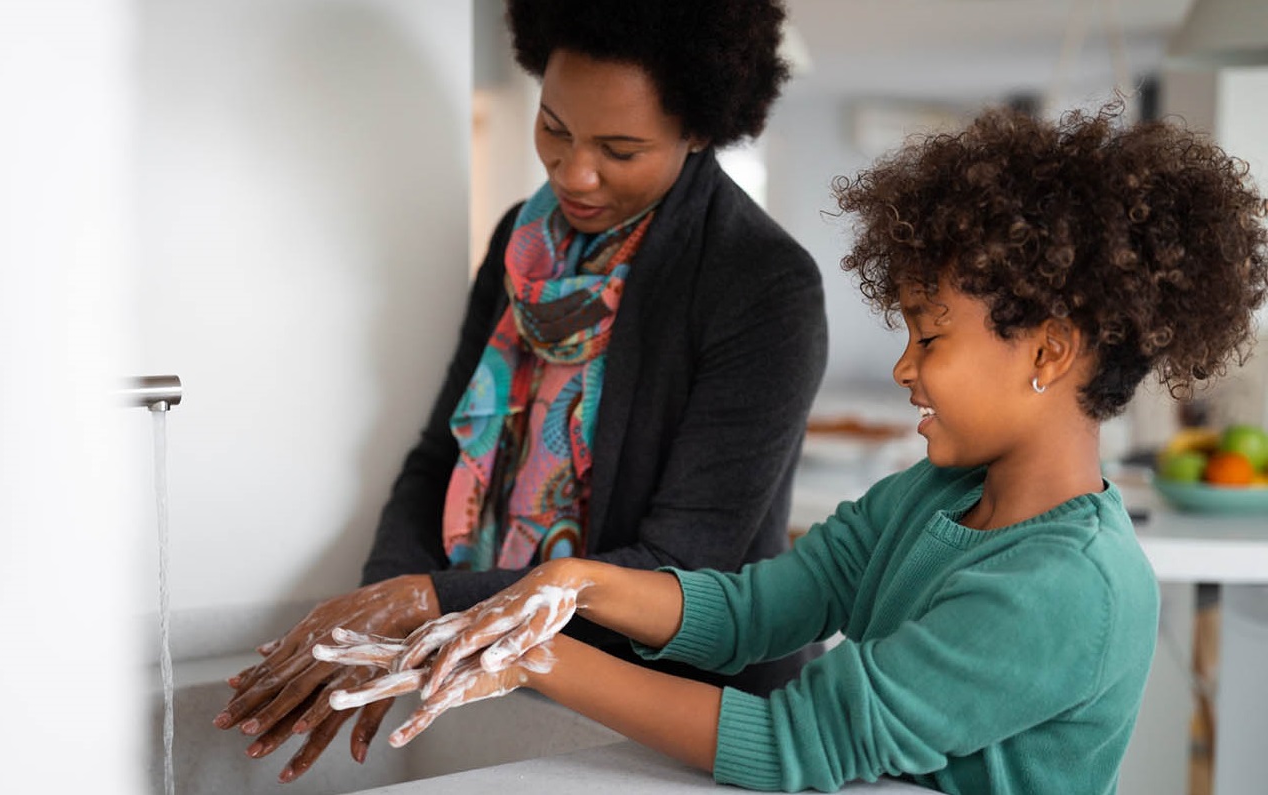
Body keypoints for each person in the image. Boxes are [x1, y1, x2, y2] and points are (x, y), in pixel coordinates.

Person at [318, 103, 1268, 793]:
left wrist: (534, 654)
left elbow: (797, 741)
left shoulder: (1067, 588)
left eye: (928, 337)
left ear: (1050, 351)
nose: (904, 369)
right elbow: (759, 606)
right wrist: (574, 589)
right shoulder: (934, 498)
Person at [214, 0, 828, 782]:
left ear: (700, 129)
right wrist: (385, 608)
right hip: (500, 670)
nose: (574, 173)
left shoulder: (762, 285)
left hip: (680, 712)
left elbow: (679, 567)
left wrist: (428, 601)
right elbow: (439, 454)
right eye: (555, 128)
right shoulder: (521, 242)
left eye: (620, 148)